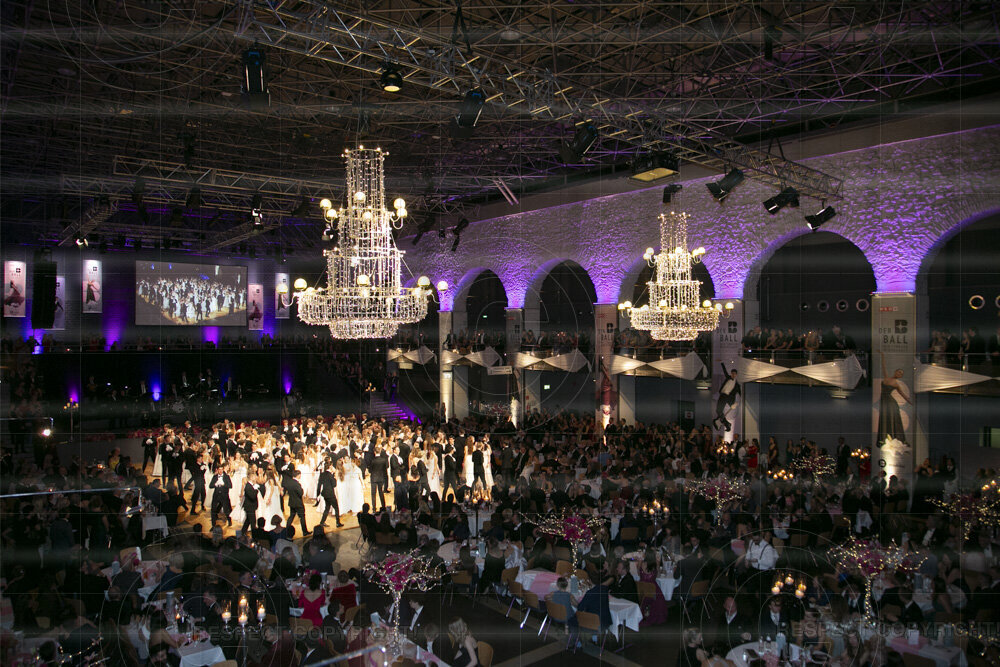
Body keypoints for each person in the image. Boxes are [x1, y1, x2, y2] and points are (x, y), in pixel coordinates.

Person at [877, 353, 911, 447]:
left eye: (901, 374)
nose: (899, 374)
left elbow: (902, 394)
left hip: (891, 403)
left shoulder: (896, 384)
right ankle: (884, 439)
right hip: (884, 402)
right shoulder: (886, 377)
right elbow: (883, 366)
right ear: (895, 372)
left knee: (892, 420)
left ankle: (896, 440)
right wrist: (882, 356)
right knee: (884, 419)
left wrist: (910, 402)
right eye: (899, 372)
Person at [713, 365, 740, 432]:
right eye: (732, 373)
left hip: (726, 397)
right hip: (722, 395)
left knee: (719, 411)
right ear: (731, 374)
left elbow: (739, 394)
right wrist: (722, 363)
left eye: (734, 374)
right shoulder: (728, 378)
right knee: (719, 411)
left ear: (736, 375)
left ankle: (726, 423)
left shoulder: (737, 385)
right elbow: (725, 371)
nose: (733, 375)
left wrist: (737, 403)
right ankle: (727, 424)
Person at [317, 461, 344, 528]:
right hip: (330, 494)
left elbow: (319, 485)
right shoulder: (331, 475)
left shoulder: (322, 474)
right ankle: (338, 523)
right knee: (336, 508)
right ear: (330, 467)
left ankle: (322, 522)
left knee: (327, 508)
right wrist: (335, 477)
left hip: (325, 494)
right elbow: (334, 485)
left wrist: (318, 494)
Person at [284, 469, 308, 536]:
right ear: (298, 475)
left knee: (291, 516)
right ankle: (305, 532)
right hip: (298, 503)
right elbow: (300, 493)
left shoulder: (289, 482)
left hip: (292, 502)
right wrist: (302, 489)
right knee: (302, 517)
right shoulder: (297, 484)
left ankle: (286, 530)